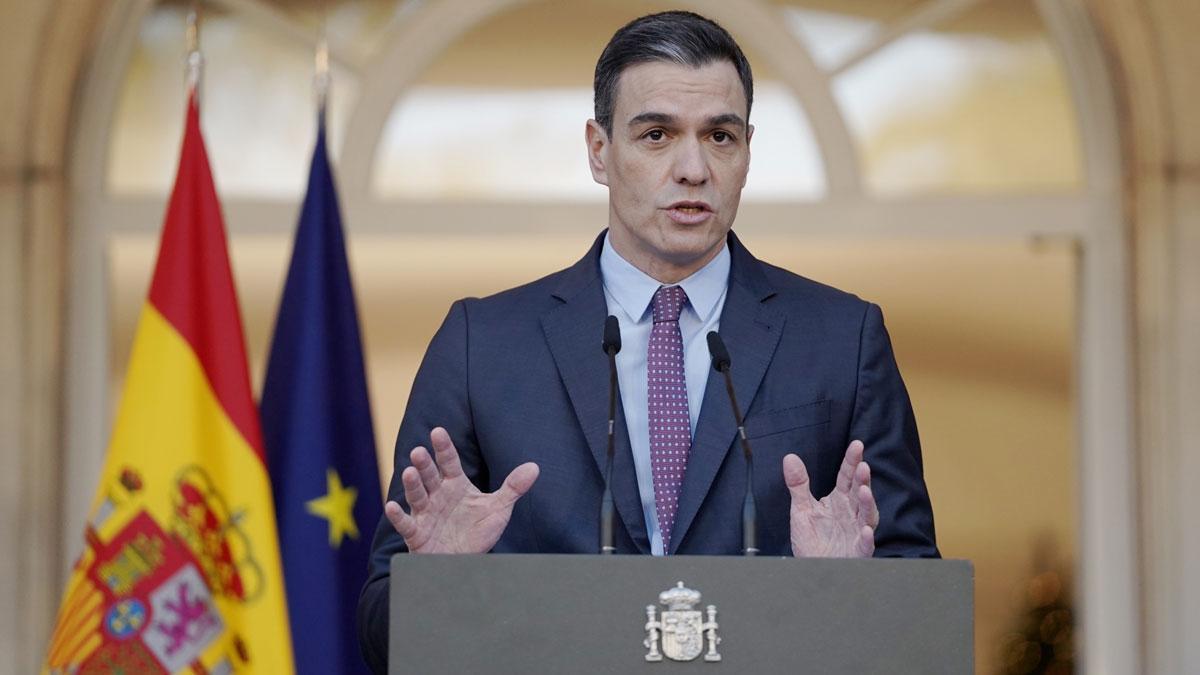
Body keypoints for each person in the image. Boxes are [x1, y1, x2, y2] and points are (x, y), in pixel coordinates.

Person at [357, 11, 937, 672]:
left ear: (747, 149)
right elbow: (379, 631)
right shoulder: (481, 344)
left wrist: (854, 590)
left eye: (719, 136)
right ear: (599, 151)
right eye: (657, 134)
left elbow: (921, 606)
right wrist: (437, 586)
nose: (692, 168)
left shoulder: (842, 338)